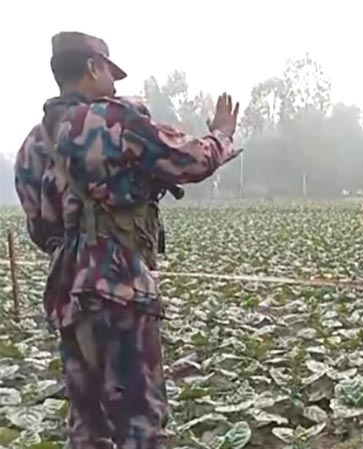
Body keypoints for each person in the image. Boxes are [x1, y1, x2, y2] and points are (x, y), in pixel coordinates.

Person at [14, 31, 242, 449]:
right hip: (120, 285)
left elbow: (39, 229)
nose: (114, 85)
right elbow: (189, 161)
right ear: (91, 68)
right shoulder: (112, 119)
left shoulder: (33, 143)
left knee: (87, 427)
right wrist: (222, 136)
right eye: (109, 72)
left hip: (67, 292)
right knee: (139, 424)